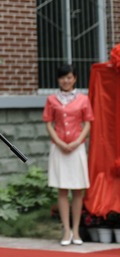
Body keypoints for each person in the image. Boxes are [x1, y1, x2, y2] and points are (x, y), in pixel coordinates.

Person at [43, 64, 93, 246]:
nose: (66, 81)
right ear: (58, 79)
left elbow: (88, 123)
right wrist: (59, 142)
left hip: (76, 148)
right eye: (63, 77)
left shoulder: (83, 99)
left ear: (75, 79)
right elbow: (48, 123)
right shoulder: (52, 99)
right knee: (62, 189)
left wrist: (77, 141)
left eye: (69, 77)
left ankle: (77, 230)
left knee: (77, 189)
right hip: (59, 148)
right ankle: (66, 230)